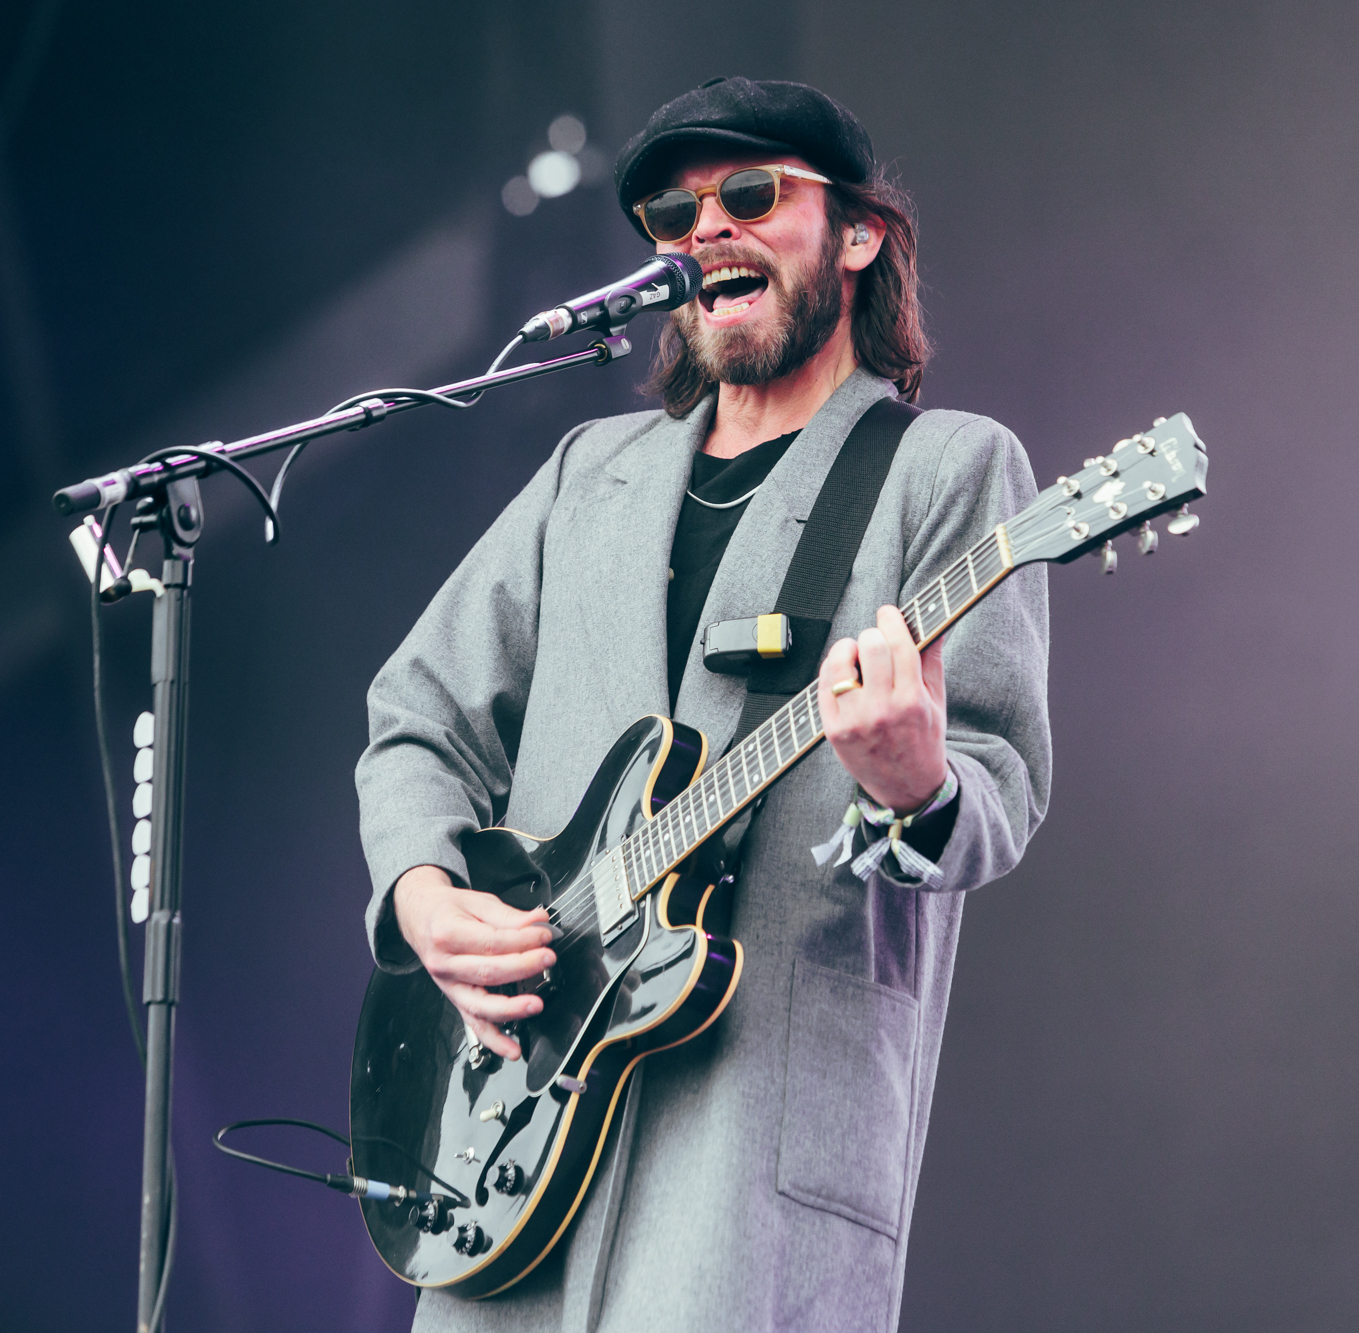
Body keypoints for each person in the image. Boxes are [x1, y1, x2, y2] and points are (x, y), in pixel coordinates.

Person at [355, 77, 1051, 1332]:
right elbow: (417, 711)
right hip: (512, 1135)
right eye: (673, 217)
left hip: (749, 1160)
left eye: (748, 195)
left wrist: (912, 779)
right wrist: (421, 897)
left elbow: (994, 781)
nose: (704, 233)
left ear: (857, 233)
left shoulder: (945, 467)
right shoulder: (587, 477)